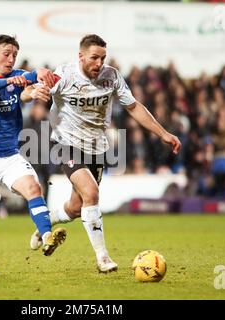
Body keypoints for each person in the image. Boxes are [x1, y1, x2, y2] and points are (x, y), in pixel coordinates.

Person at [26, 34, 181, 273]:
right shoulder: (64, 75)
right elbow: (34, 89)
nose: (99, 63)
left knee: (76, 208)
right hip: (66, 144)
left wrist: (163, 134)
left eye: (103, 58)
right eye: (94, 58)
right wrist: (35, 89)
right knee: (92, 192)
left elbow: (134, 107)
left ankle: (44, 224)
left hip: (96, 148)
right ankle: (103, 258)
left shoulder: (112, 77)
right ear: (81, 56)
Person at [0, 34, 66, 275]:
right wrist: (29, 77)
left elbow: (23, 93)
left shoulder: (17, 77)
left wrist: (35, 93)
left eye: (14, 55)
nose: (11, 59)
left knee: (34, 188)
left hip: (11, 156)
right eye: (6, 54)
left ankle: (46, 235)